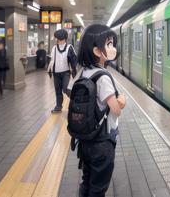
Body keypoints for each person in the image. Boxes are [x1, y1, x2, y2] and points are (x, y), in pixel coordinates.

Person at [75, 24, 126, 197]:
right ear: (97, 51)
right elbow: (116, 110)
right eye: (109, 44)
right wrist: (122, 101)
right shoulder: (103, 77)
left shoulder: (84, 72)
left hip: (86, 140)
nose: (114, 48)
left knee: (87, 180)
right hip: (102, 142)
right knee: (98, 187)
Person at [47, 29, 77, 113]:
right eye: (56, 38)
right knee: (58, 90)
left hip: (65, 72)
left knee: (66, 89)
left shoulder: (69, 47)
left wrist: (75, 71)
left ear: (64, 38)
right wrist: (50, 70)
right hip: (56, 73)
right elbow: (52, 60)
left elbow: (74, 60)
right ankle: (58, 106)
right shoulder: (54, 48)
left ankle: (76, 102)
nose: (57, 40)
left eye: (58, 38)